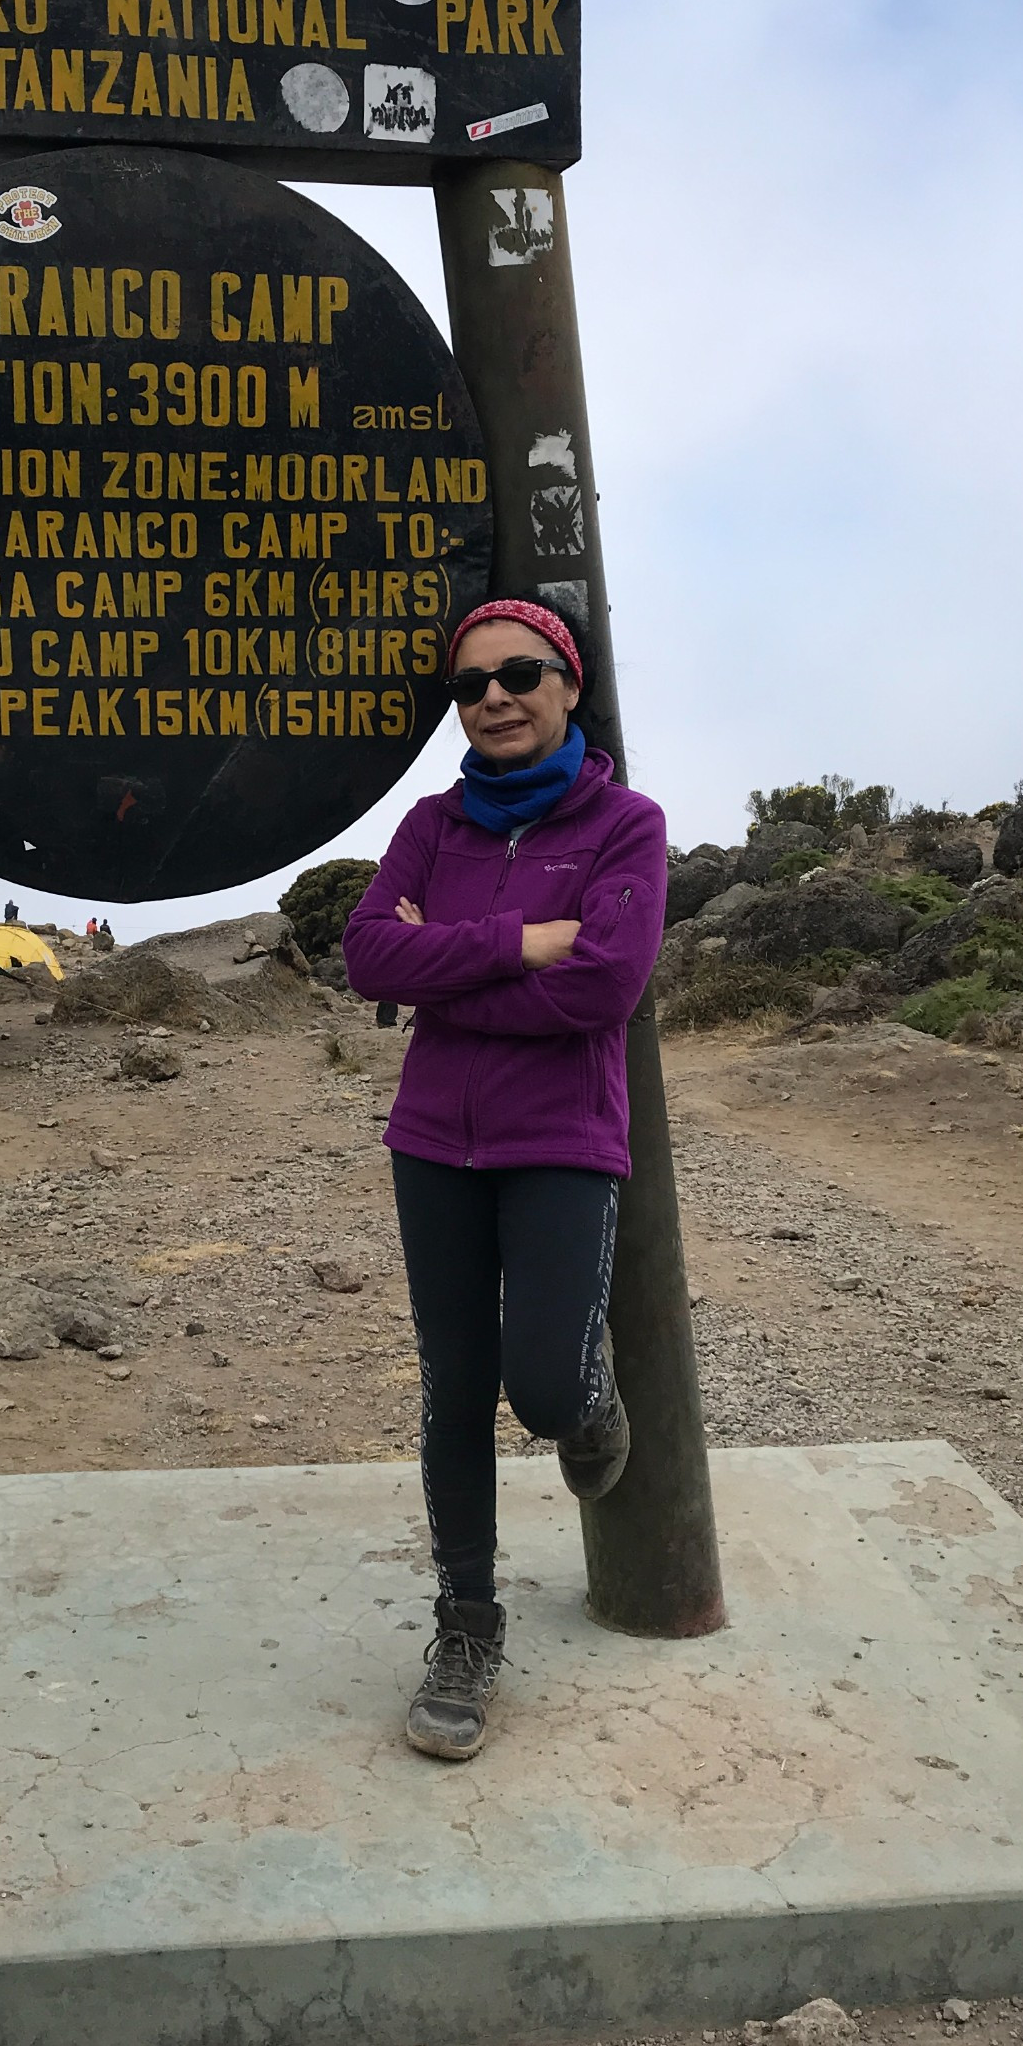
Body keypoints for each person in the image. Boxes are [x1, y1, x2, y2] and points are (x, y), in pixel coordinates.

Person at [342, 597, 667, 1761]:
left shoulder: (626, 824)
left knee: (536, 1388)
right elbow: (366, 953)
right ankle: (465, 1626)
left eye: (519, 672)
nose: (492, 697)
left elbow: (604, 987)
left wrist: (443, 971)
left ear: (567, 682)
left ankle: (588, 1391)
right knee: (451, 1389)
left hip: (560, 1141)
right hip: (431, 1140)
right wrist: (525, 938)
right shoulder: (431, 824)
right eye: (469, 683)